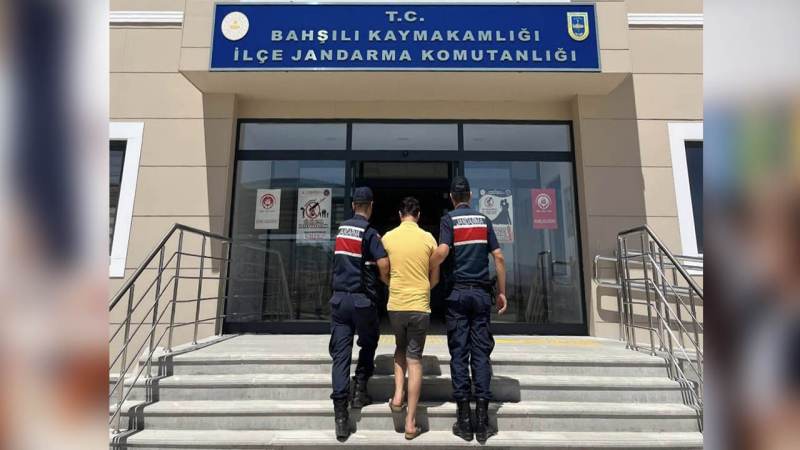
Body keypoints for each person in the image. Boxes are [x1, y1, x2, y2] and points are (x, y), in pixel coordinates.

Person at [430, 176, 508, 443]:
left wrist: (426, 267)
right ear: (471, 196)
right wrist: (501, 292)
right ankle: (483, 422)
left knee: (459, 354)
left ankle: (464, 421)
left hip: (458, 294)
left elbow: (442, 252)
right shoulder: (484, 221)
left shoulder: (448, 220)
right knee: (481, 354)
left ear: (452, 197)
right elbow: (499, 257)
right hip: (481, 295)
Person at [328, 187, 390, 441]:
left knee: (341, 355)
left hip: (339, 300)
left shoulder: (341, 230)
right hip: (362, 301)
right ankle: (360, 389)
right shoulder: (370, 232)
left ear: (354, 205)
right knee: (369, 341)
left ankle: (341, 418)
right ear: (371, 206)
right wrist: (386, 281)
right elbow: (383, 262)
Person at [381, 197, 438, 440]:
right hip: (419, 306)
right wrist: (423, 289)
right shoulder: (428, 239)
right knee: (414, 360)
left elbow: (383, 267)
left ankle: (397, 397)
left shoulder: (388, 237)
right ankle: (410, 423)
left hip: (396, 304)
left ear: (399, 214)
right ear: (418, 215)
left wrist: (390, 283)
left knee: (399, 348)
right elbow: (435, 277)